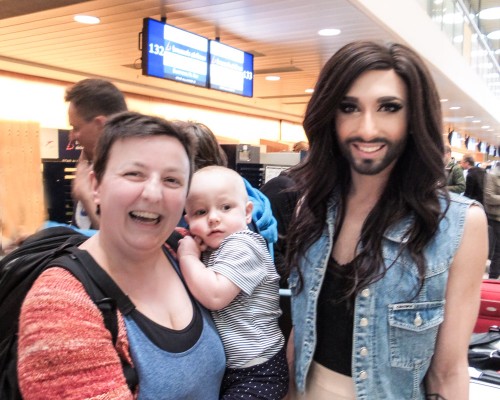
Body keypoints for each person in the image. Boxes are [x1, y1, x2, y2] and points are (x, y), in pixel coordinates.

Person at [285, 41, 487, 400]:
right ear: (331, 116)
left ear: (413, 118)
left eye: (388, 108)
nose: (367, 129)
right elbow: (299, 336)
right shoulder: (311, 207)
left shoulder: (457, 225)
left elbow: (449, 370)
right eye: (349, 107)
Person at [17, 112, 226, 399]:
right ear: (95, 186)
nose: (153, 193)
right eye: (133, 174)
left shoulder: (184, 253)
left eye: (172, 180)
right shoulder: (61, 304)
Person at [178, 165, 288, 399]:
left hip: (258, 370)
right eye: (200, 212)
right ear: (187, 219)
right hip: (234, 368)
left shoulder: (244, 245)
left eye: (226, 207)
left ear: (247, 212)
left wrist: (187, 256)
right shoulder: (213, 248)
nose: (214, 218)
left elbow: (215, 296)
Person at [65, 78, 128, 230]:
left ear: (100, 124)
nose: (72, 136)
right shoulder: (91, 164)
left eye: (76, 127)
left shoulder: (134, 173)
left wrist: (86, 196)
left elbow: (122, 243)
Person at [484, 162, 500, 279]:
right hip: (496, 218)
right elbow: (489, 197)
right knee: (498, 251)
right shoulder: (493, 175)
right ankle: (493, 277)